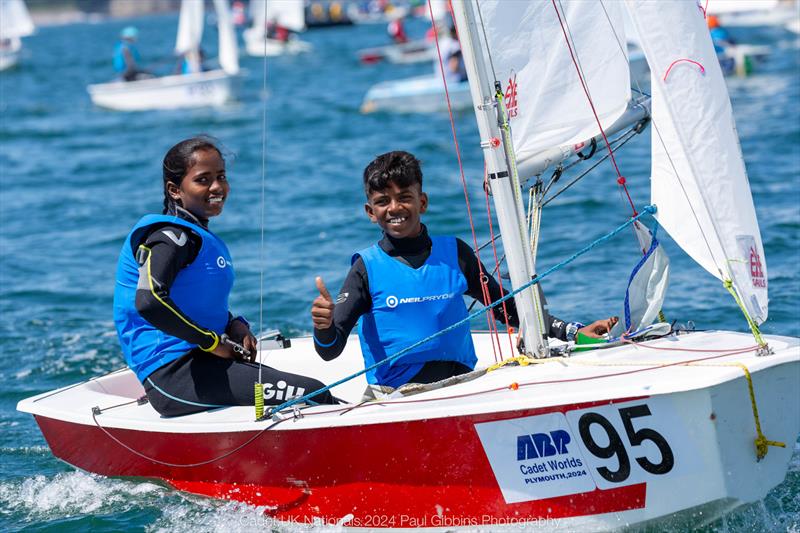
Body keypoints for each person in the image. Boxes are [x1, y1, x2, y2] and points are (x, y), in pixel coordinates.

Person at [311, 151, 618, 391]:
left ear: (423, 201)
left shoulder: (454, 254)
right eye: (382, 201)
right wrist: (324, 327)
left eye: (404, 197)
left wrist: (572, 331)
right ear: (370, 212)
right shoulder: (367, 268)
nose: (394, 208)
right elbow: (330, 350)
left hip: (463, 388)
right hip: (399, 398)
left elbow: (508, 309)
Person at [114, 136, 336, 417]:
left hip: (202, 363)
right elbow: (149, 300)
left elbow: (193, 300)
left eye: (221, 176)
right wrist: (211, 341)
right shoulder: (170, 238)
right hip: (172, 375)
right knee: (313, 394)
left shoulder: (194, 235)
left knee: (308, 390)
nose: (217, 187)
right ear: (174, 190)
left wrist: (233, 324)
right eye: (203, 180)